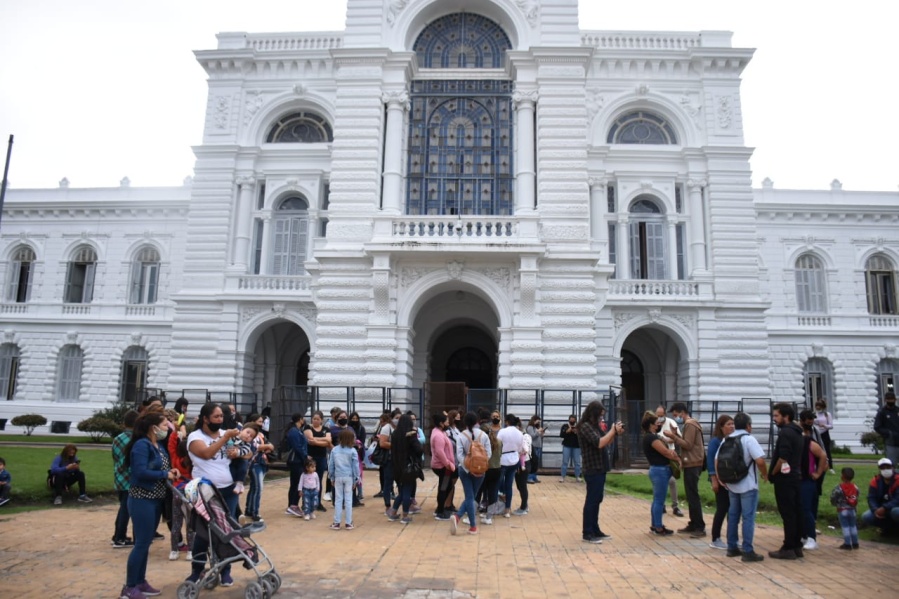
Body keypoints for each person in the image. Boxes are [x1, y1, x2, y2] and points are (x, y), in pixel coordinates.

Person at [120, 412, 180, 599]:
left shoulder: (157, 446)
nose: (166, 428)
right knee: (141, 544)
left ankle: (140, 581)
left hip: (156, 499)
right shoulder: (141, 445)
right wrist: (164, 475)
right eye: (164, 425)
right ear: (153, 427)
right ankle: (129, 587)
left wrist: (170, 471)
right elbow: (139, 472)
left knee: (146, 544)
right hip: (142, 499)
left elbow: (159, 468)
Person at [185, 402, 242, 586]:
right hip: (205, 491)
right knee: (204, 532)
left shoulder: (224, 435)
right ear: (205, 419)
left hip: (228, 489)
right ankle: (197, 570)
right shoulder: (195, 437)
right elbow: (207, 453)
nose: (220, 420)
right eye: (216, 417)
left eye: (221, 417)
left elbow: (233, 454)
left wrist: (236, 452)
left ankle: (225, 570)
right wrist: (225, 438)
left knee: (227, 530)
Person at [717, 412, 768, 563]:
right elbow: (759, 460)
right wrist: (765, 474)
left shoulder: (726, 440)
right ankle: (748, 550)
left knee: (733, 516)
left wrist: (721, 478)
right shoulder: (749, 439)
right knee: (748, 518)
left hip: (732, 484)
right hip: (748, 484)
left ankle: (732, 547)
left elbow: (717, 460)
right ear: (748, 426)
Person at [577, 401, 622, 543]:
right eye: (600, 416)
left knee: (597, 500)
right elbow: (599, 443)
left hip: (600, 467)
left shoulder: (594, 426)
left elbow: (606, 441)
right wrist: (612, 431)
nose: (601, 419)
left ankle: (595, 529)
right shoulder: (585, 427)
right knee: (592, 500)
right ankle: (588, 532)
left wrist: (615, 433)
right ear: (593, 413)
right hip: (592, 468)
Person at [768, 402, 805, 560]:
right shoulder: (797, 432)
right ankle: (796, 545)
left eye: (776, 416)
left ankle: (789, 546)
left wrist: (772, 473)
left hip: (785, 478)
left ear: (786, 416)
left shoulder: (786, 433)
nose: (774, 419)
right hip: (795, 476)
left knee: (788, 513)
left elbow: (783, 458)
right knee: (795, 512)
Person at [664, 402, 706, 537]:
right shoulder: (690, 424)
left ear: (682, 412)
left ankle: (699, 526)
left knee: (693, 495)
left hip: (693, 463)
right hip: (692, 463)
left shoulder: (690, 425)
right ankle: (693, 523)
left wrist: (673, 437)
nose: (676, 418)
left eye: (676, 415)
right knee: (690, 495)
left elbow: (688, 445)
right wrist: (677, 435)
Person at [450, 411, 492, 536]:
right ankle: (472, 526)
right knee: (472, 497)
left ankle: (458, 517)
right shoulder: (484, 435)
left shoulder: (461, 436)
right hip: (481, 471)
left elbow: (459, 455)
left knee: (470, 497)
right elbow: (488, 454)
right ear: (477, 421)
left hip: (464, 470)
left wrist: (468, 467)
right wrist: (478, 466)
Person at [641, 411, 679, 535]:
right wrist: (677, 458)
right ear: (652, 425)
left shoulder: (652, 436)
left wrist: (674, 435)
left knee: (657, 499)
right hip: (660, 470)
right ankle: (658, 527)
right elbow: (665, 452)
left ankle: (655, 524)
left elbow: (668, 441)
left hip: (658, 470)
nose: (659, 425)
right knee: (659, 500)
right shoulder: (651, 437)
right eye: (657, 423)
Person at [798, 409, 828, 550]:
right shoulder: (799, 432)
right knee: (802, 506)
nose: (811, 421)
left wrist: (819, 471)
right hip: (800, 475)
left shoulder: (811, 435)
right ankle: (804, 533)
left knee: (808, 505)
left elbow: (821, 452)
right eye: (808, 419)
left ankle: (810, 534)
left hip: (810, 474)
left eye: (812, 418)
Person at [167, 410, 194, 561]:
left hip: (177, 491)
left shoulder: (175, 458)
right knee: (191, 523)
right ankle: (191, 550)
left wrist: (175, 432)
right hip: (190, 492)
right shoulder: (192, 460)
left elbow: (171, 445)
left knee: (176, 522)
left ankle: (174, 550)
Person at [387, 414, 423, 524]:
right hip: (408, 467)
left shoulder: (395, 434)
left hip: (396, 466)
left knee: (402, 491)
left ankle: (393, 513)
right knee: (407, 490)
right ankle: (405, 515)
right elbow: (419, 449)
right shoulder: (410, 435)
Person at [112, 410, 139, 548]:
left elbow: (115, 457)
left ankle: (118, 534)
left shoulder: (117, 438)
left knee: (123, 507)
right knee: (126, 509)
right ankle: (120, 537)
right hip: (130, 477)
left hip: (119, 477)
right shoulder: (135, 440)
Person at [706, 414, 734, 550]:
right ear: (721, 427)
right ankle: (715, 537)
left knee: (732, 509)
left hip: (730, 480)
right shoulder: (716, 442)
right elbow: (711, 461)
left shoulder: (732, 440)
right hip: (720, 479)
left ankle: (732, 537)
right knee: (722, 508)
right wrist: (714, 480)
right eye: (728, 424)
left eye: (733, 424)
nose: (732, 427)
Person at [328, 428, 361, 530]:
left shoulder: (334, 450)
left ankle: (337, 522)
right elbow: (356, 466)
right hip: (349, 477)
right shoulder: (353, 451)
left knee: (338, 499)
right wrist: (356, 479)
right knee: (348, 499)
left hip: (338, 476)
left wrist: (331, 477)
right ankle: (348, 522)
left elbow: (331, 465)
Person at [656, 405, 684, 517]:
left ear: (665, 415)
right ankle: (661, 504)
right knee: (660, 482)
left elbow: (678, 438)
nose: (659, 418)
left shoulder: (671, 422)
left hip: (670, 454)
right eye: (658, 416)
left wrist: (671, 438)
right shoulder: (655, 424)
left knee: (672, 481)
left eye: (661, 416)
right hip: (659, 455)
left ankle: (675, 506)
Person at [861, 457, 899, 534]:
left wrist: (885, 508)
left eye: (888, 467)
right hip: (881, 508)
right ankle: (887, 529)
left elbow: (897, 499)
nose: (886, 470)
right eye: (883, 468)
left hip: (894, 507)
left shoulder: (897, 479)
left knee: (896, 512)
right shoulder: (875, 481)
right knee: (866, 516)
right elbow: (871, 498)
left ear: (893, 467)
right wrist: (875, 509)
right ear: (880, 469)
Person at [496, 413, 524, 518]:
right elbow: (520, 449)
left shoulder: (502, 431)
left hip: (503, 459)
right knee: (509, 485)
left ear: (507, 421)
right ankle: (507, 509)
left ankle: (500, 497)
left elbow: (497, 444)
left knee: (498, 481)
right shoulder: (519, 433)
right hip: (514, 459)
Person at [430, 413, 456, 521]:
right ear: (441, 423)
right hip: (443, 467)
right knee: (444, 488)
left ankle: (440, 509)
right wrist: (448, 464)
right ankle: (440, 512)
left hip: (444, 466)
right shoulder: (438, 435)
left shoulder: (440, 432)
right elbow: (440, 452)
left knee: (446, 487)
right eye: (446, 422)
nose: (448, 424)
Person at [305, 410, 332, 512]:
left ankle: (318, 502)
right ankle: (307, 502)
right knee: (307, 479)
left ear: (322, 420)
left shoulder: (326, 429)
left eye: (318, 419)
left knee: (318, 479)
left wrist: (317, 441)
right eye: (314, 419)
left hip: (321, 457)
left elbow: (328, 441)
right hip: (310, 457)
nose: (315, 421)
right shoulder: (308, 427)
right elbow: (310, 440)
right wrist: (322, 440)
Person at [284, 413, 309, 517]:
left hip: (298, 460)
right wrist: (305, 456)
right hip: (296, 461)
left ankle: (291, 506)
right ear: (300, 419)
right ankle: (293, 505)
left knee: (295, 483)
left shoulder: (297, 430)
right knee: (298, 484)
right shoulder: (294, 431)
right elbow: (297, 446)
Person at [830, 467, 860, 549]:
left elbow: (833, 497)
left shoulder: (839, 488)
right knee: (853, 526)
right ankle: (855, 542)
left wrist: (835, 504)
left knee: (845, 526)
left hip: (842, 509)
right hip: (852, 509)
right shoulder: (855, 487)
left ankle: (847, 544)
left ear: (842, 476)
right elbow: (857, 496)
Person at [874, 391, 899, 466]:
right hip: (891, 442)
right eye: (888, 399)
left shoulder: (898, 410)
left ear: (895, 400)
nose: (890, 401)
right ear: (885, 400)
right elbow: (877, 427)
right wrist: (888, 434)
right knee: (892, 463)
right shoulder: (882, 412)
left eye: (892, 399)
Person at [513, 417, 531, 516]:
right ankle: (525, 505)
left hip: (524, 463)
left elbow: (526, 449)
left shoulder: (525, 436)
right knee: (519, 485)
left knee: (522, 485)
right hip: (518, 463)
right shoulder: (520, 436)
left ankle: (524, 507)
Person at [348, 411, 366, 506]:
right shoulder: (348, 429)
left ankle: (360, 492)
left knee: (358, 472)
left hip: (358, 454)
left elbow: (362, 441)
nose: (355, 420)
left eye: (356, 418)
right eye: (353, 418)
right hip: (348, 453)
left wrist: (358, 445)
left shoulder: (361, 428)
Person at [813, 399, 834, 472]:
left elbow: (831, 426)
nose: (818, 409)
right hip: (817, 434)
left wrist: (824, 425)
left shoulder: (827, 414)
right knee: (817, 450)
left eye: (819, 407)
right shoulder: (815, 414)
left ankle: (830, 467)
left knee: (827, 450)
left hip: (825, 434)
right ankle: (818, 466)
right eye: (817, 407)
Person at [559, 414, 581, 482]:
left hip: (576, 446)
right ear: (569, 419)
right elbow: (561, 435)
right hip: (567, 446)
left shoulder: (578, 426)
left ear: (575, 420)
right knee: (565, 462)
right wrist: (567, 431)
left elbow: (582, 436)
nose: (572, 420)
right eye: (571, 419)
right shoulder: (565, 426)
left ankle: (577, 476)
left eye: (573, 419)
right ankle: (562, 476)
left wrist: (577, 432)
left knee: (577, 462)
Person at [526, 415, 545, 483]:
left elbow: (538, 436)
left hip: (538, 446)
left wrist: (541, 433)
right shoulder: (530, 427)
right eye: (537, 421)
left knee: (536, 463)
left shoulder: (537, 427)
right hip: (533, 446)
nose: (538, 423)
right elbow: (532, 436)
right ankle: (529, 477)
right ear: (534, 420)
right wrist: (538, 432)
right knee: (532, 462)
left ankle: (534, 476)